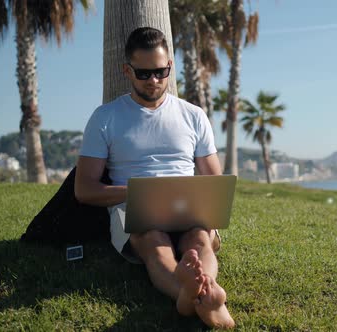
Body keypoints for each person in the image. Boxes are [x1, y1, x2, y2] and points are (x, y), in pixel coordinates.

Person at [74, 27, 234, 329]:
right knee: (153, 240)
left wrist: (208, 203)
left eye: (160, 72)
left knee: (199, 236)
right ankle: (196, 297)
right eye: (144, 73)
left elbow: (213, 179)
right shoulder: (105, 117)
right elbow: (85, 190)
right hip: (132, 208)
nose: (154, 81)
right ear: (127, 70)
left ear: (170, 67)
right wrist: (137, 194)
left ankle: (199, 293)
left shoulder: (193, 115)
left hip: (188, 206)